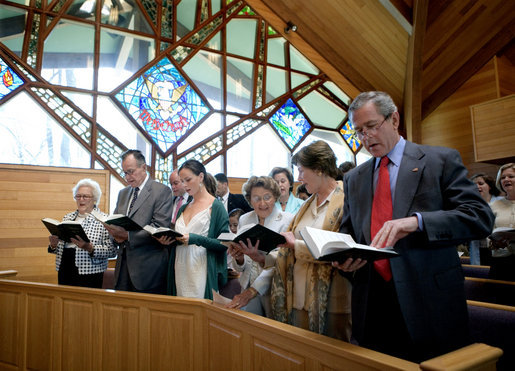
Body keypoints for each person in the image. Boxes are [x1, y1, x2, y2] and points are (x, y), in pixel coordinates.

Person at [334, 91, 494, 362]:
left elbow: (479, 216)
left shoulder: (439, 161)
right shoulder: (354, 178)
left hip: (429, 302)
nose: (365, 137)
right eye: (358, 131)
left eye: (371, 126)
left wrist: (418, 222)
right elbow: (350, 231)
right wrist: (342, 256)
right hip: (372, 302)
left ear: (394, 119)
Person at [270, 141, 352, 341]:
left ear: (319, 168)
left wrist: (294, 245)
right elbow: (288, 247)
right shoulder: (306, 205)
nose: (298, 178)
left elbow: (337, 249)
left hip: (333, 298)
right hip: (299, 296)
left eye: (301, 171)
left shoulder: (346, 199)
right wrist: (258, 255)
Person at [105, 149, 173, 294]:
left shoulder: (161, 191)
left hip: (148, 270)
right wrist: (113, 234)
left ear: (144, 168)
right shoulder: (123, 193)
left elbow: (159, 227)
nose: (127, 177)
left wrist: (128, 236)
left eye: (131, 171)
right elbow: (115, 222)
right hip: (123, 267)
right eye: (124, 173)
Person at [225, 176, 294, 317]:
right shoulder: (245, 219)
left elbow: (281, 262)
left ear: (275, 197)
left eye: (267, 197)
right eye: (256, 198)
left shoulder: (287, 220)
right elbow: (241, 266)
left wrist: (251, 291)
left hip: (274, 288)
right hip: (246, 285)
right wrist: (239, 259)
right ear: (250, 200)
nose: (262, 203)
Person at [162, 160, 229, 299]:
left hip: (200, 267)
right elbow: (181, 237)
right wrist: (169, 240)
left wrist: (195, 238)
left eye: (188, 180)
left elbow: (224, 244)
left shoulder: (216, 207)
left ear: (201, 177)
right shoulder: (183, 208)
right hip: (180, 266)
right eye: (181, 181)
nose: (184, 185)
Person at [48, 178, 116, 288]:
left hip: (90, 272)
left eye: (85, 196)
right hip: (64, 267)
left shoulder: (104, 220)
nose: (81, 199)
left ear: (94, 199)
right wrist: (54, 245)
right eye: (78, 196)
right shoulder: (67, 217)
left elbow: (112, 251)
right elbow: (60, 247)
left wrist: (90, 248)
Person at [489, 163, 515, 282]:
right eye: (503, 177)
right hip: (501, 263)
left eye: (510, 176)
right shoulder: (494, 205)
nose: (506, 180)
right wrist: (494, 243)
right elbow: (488, 233)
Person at [468, 173, 502, 265]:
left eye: (480, 183)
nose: (477, 186)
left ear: (490, 186)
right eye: (474, 184)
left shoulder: (501, 202)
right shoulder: (469, 206)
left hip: (500, 247)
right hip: (479, 248)